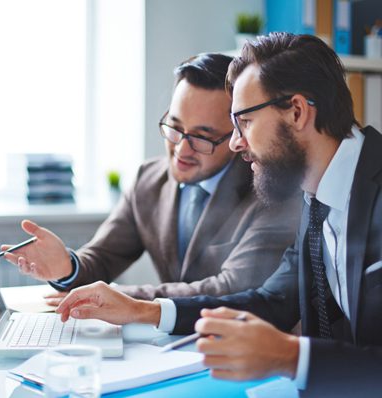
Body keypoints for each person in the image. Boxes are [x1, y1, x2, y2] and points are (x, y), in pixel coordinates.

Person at [55, 33, 382, 397]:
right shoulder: (315, 196)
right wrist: (143, 311)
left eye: (244, 122)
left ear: (297, 112)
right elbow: (271, 302)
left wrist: (291, 357)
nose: (235, 142)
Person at [3, 53, 300, 301]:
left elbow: (231, 288)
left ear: (238, 135)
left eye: (202, 137)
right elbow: (103, 257)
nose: (182, 149)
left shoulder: (270, 192)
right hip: (163, 347)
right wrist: (67, 267)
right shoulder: (149, 179)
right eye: (175, 127)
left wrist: (121, 299)